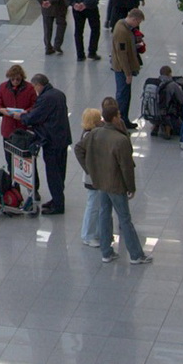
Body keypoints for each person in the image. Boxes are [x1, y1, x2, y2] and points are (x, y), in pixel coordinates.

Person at [76, 98, 153, 264]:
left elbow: (78, 149)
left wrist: (90, 169)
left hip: (101, 182)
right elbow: (126, 168)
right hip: (116, 184)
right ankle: (136, 255)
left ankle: (106, 252)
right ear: (114, 118)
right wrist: (131, 187)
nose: (120, 117)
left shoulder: (95, 133)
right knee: (125, 219)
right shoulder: (120, 140)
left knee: (104, 214)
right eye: (118, 115)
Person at [24, 73, 70, 215]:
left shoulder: (45, 98)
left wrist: (23, 117)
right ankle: (57, 199)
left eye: (35, 87)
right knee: (60, 171)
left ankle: (58, 205)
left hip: (52, 141)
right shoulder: (59, 94)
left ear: (39, 85)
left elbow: (34, 116)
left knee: (53, 173)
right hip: (63, 139)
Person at [0, 63, 36, 171]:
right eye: (13, 79)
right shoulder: (3, 87)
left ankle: (33, 185)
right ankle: (14, 185)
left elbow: (35, 105)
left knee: (27, 161)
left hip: (23, 130)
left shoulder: (29, 88)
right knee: (10, 161)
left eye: (18, 79)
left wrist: (25, 112)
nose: (15, 82)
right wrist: (1, 110)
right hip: (8, 130)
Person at [109, 8, 144, 126]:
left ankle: (124, 119)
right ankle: (118, 121)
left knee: (126, 95)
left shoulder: (122, 25)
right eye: (138, 22)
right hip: (122, 69)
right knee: (122, 95)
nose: (137, 25)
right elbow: (122, 55)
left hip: (123, 67)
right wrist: (128, 73)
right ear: (134, 19)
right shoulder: (122, 31)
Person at [77, 106, 104, 246]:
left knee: (97, 205)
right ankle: (88, 235)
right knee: (93, 206)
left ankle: (97, 233)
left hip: (94, 175)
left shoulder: (89, 133)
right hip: (92, 177)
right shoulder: (89, 136)